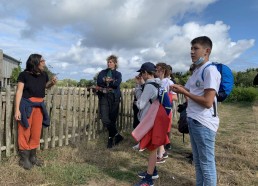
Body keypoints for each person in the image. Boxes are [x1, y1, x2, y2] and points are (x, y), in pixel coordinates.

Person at [170, 36, 221, 186]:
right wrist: (180, 88)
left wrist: (184, 93)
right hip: (194, 119)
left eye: (196, 48)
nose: (192, 52)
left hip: (203, 122)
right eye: (191, 49)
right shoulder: (197, 70)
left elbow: (207, 102)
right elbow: (192, 90)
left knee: (206, 164)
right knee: (198, 162)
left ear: (207, 51)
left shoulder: (210, 71)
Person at [14, 54, 57, 170]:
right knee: (24, 131)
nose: (44, 62)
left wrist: (51, 83)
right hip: (26, 106)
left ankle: (33, 157)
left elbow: (45, 86)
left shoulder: (44, 75)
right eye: (42, 61)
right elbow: (19, 92)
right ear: (35, 62)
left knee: (36, 131)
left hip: (39, 106)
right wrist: (17, 109)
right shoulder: (24, 75)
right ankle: (24, 159)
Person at [133, 62, 170, 186]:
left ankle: (149, 179)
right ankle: (152, 171)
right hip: (157, 119)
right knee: (151, 148)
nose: (140, 75)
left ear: (145, 73)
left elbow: (141, 104)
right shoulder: (158, 83)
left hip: (150, 121)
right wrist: (142, 85)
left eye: (141, 73)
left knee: (152, 149)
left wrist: (138, 88)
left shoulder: (149, 86)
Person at [96, 55, 123, 148]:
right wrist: (109, 81)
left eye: (111, 62)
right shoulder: (102, 72)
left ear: (115, 63)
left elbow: (116, 84)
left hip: (115, 97)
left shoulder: (118, 74)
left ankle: (110, 139)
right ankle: (117, 135)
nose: (109, 63)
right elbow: (99, 82)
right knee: (104, 118)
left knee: (112, 119)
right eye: (108, 62)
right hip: (104, 96)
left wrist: (108, 81)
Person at [155, 62, 177, 162]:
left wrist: (164, 98)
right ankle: (162, 152)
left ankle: (161, 154)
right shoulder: (157, 81)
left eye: (157, 69)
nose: (156, 71)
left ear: (163, 71)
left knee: (161, 131)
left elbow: (175, 96)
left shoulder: (169, 82)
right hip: (157, 109)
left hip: (165, 110)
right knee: (159, 131)